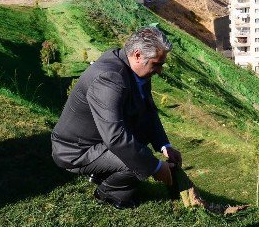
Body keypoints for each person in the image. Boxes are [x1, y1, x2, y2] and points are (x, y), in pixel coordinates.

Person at [51, 26, 190, 209]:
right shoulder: (109, 78)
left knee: (138, 150)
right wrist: (155, 167)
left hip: (97, 139)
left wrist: (165, 146)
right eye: (156, 64)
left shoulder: (132, 67)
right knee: (136, 160)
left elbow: (147, 110)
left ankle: (105, 172)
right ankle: (109, 194)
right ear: (138, 55)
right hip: (77, 151)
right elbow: (115, 137)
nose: (159, 71)